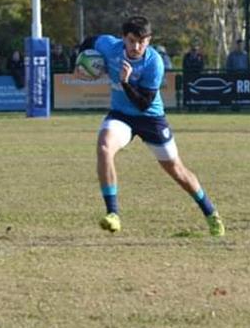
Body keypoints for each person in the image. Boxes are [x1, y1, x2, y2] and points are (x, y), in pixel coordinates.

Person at [78, 15, 224, 237]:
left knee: (176, 169)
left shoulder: (153, 62)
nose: (136, 46)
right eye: (131, 41)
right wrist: (80, 64)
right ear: (123, 38)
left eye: (142, 41)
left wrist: (125, 81)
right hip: (121, 116)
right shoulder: (109, 46)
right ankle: (113, 214)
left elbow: (144, 103)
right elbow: (88, 42)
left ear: (149, 40)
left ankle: (211, 214)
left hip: (150, 119)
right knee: (104, 147)